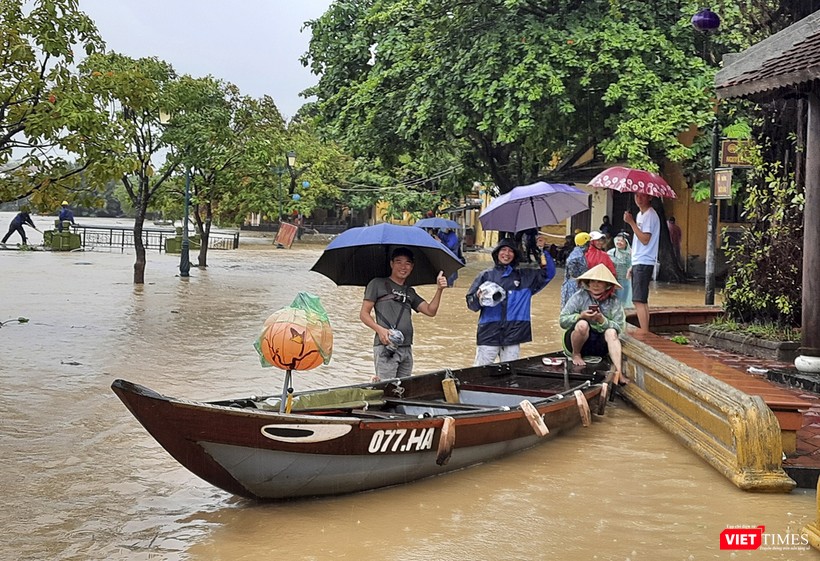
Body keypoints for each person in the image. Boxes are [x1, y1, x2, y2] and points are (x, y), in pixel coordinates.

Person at [360, 247, 448, 381]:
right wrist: (380, 330)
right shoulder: (377, 284)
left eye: (407, 263)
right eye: (399, 262)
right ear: (391, 264)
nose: (403, 267)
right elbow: (364, 314)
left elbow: (431, 311)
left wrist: (439, 290)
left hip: (407, 348)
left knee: (404, 389)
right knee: (387, 388)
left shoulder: (409, 291)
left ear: (412, 267)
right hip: (386, 347)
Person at [466, 238, 556, 366]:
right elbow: (471, 305)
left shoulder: (526, 277)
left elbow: (549, 273)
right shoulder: (485, 276)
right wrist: (477, 297)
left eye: (510, 251)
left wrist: (542, 250)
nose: (506, 254)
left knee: (510, 373)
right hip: (489, 333)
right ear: (497, 253)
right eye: (503, 250)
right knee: (479, 371)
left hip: (514, 333)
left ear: (515, 256)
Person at [559, 264, 626, 384]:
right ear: (588, 283)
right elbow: (563, 321)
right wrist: (580, 316)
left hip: (599, 344)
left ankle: (619, 373)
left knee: (611, 332)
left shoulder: (614, 301)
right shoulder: (579, 297)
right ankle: (576, 355)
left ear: (607, 285)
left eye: (600, 282)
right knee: (582, 324)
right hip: (577, 341)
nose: (595, 285)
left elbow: (619, 327)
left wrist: (602, 321)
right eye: (593, 281)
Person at [623, 192, 661, 333]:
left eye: (642, 196)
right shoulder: (640, 215)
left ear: (650, 197)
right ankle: (644, 329)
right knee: (640, 299)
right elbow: (638, 241)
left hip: (645, 260)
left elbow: (645, 239)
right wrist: (632, 264)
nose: (639, 199)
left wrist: (631, 222)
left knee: (639, 300)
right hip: (639, 260)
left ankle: (644, 331)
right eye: (636, 196)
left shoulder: (650, 215)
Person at [560, 231, 591, 309]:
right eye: (589, 243)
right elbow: (574, 274)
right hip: (574, 286)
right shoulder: (577, 256)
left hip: (575, 285)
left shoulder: (577, 253)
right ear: (585, 243)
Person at [607, 232, 633, 308]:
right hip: (613, 280)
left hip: (625, 281)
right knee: (612, 302)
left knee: (623, 303)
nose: (619, 242)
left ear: (626, 243)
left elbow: (634, 265)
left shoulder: (631, 253)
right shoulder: (611, 253)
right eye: (618, 240)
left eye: (622, 241)